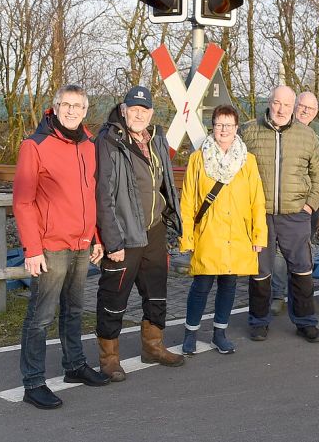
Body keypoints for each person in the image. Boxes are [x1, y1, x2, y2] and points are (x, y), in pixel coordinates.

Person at [14, 84, 109, 410]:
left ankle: (74, 366)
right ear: (54, 108)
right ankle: (33, 382)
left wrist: (95, 236)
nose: (71, 110)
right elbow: (23, 202)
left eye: (77, 106)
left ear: (85, 110)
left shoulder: (89, 146)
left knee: (73, 310)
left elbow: (90, 196)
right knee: (41, 316)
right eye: (65, 105)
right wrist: (32, 249)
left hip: (82, 244)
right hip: (50, 247)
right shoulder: (35, 145)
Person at [95, 85, 185, 381]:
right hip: (123, 234)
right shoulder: (109, 141)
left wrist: (171, 216)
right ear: (123, 110)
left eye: (144, 110)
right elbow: (103, 195)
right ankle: (109, 358)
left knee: (157, 292)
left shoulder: (156, 138)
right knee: (114, 297)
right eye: (133, 109)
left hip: (154, 230)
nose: (138, 115)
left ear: (151, 114)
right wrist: (111, 240)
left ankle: (153, 346)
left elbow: (164, 183)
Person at [241, 85, 319, 343]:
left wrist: (310, 206)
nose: (281, 109)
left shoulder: (307, 135)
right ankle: (258, 321)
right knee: (260, 271)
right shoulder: (250, 131)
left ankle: (306, 322)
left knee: (301, 269)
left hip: (295, 215)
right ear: (269, 102)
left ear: (294, 107)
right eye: (277, 103)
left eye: (287, 105)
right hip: (260, 214)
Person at [179, 105, 267, 355]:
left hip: (238, 235)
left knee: (229, 286)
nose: (224, 129)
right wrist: (187, 237)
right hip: (209, 234)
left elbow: (257, 200)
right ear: (213, 127)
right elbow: (188, 201)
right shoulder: (198, 158)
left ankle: (220, 333)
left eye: (229, 125)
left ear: (237, 128)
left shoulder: (247, 161)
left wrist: (259, 235)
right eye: (219, 124)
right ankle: (191, 333)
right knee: (202, 286)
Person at [269, 91, 319, 316]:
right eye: (301, 106)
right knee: (279, 251)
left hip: (307, 203)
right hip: (283, 201)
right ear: (294, 106)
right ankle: (278, 295)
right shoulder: (282, 128)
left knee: (302, 250)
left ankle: (298, 298)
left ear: (316, 112)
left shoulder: (318, 131)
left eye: (310, 109)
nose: (305, 111)